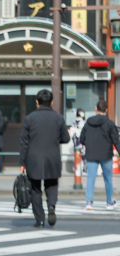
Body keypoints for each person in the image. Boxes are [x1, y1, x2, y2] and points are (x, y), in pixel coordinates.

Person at [19, 89, 70, 228]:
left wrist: (22, 162)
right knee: (52, 184)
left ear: (37, 102)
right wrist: (54, 140)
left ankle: (40, 220)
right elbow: (66, 138)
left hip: (33, 158)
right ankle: (51, 206)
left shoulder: (29, 118)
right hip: (52, 157)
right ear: (51, 102)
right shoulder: (59, 118)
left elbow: (24, 142)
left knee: (35, 189)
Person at [79, 99, 120, 211]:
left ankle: (89, 202)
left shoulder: (88, 122)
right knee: (108, 179)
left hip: (91, 154)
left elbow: (82, 139)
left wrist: (88, 144)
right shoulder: (110, 124)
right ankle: (109, 202)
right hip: (106, 155)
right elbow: (116, 141)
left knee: (91, 178)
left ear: (96, 109)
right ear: (106, 110)